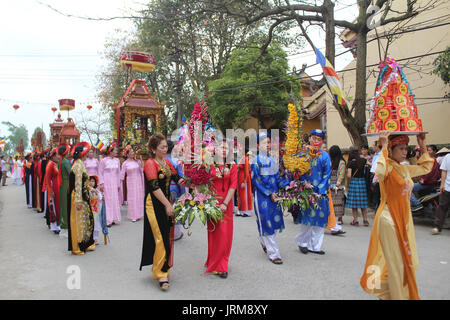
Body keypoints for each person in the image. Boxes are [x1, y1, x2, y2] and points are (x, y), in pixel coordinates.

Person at [360, 131, 433, 300]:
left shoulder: (404, 168)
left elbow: (426, 168)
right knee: (395, 264)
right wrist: (384, 146)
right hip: (388, 218)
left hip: (404, 218)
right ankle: (397, 296)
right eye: (400, 148)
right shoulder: (386, 167)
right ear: (391, 150)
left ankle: (391, 293)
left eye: (406, 148)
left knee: (409, 261)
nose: (405, 151)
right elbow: (378, 171)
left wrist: (422, 144)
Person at [139, 134, 185, 291]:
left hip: (166, 202)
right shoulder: (150, 164)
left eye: (166, 147)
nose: (166, 150)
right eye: (162, 147)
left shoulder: (165, 162)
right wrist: (167, 204)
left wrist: (193, 182)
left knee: (166, 236)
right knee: (159, 237)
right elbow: (154, 187)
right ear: (153, 149)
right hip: (154, 204)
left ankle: (163, 266)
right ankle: (161, 273)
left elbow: (177, 177)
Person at [251, 132, 289, 264]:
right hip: (262, 197)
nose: (267, 145)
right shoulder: (256, 161)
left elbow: (277, 178)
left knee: (273, 221)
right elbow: (256, 181)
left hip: (275, 195)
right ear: (257, 145)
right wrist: (269, 193)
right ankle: (274, 254)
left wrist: (290, 185)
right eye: (264, 143)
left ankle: (263, 241)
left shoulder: (273, 160)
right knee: (266, 221)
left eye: (268, 142)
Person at [295, 129, 332, 255]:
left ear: (322, 141)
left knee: (320, 220)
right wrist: (304, 186)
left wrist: (321, 189)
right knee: (308, 218)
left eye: (319, 139)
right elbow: (298, 172)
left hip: (321, 192)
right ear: (309, 138)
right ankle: (303, 243)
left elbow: (327, 174)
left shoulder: (325, 156)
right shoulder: (302, 154)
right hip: (307, 191)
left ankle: (315, 246)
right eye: (314, 138)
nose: (316, 141)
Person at [205, 141, 237, 278]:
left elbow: (233, 185)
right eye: (221, 147)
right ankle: (213, 260)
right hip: (212, 203)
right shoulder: (208, 164)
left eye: (226, 147)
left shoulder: (232, 165)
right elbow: (204, 183)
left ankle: (222, 265)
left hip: (226, 204)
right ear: (215, 149)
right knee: (214, 233)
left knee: (224, 235)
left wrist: (224, 203)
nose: (223, 150)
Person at [67, 142, 96, 255]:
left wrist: (90, 188)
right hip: (79, 196)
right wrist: (78, 201)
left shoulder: (80, 164)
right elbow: (78, 184)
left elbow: (83, 182)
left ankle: (86, 243)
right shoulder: (78, 166)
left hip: (83, 195)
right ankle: (77, 246)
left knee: (86, 220)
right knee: (79, 221)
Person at [410, 145, 441, 212]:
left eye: (429, 150)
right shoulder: (434, 161)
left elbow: (428, 173)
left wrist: (422, 179)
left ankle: (416, 204)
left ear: (434, 151)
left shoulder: (429, 161)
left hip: (426, 183)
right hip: (431, 183)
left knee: (406, 189)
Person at [98, 142, 122, 227]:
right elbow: (100, 172)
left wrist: (118, 184)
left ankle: (114, 218)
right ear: (110, 151)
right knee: (107, 200)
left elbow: (118, 172)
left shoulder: (117, 160)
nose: (116, 151)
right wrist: (101, 183)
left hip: (114, 181)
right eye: (115, 150)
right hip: (107, 181)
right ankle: (107, 220)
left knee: (114, 199)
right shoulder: (103, 161)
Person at [346, 146, 370, 226]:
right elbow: (371, 165)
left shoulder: (351, 163)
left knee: (354, 204)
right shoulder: (363, 160)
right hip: (362, 182)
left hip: (354, 182)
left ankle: (355, 221)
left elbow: (349, 175)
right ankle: (365, 220)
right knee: (363, 203)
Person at [166, 140, 185, 240]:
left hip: (162, 189)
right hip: (175, 188)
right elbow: (181, 180)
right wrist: (184, 194)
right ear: (173, 148)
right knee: (176, 210)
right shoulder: (177, 161)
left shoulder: (160, 161)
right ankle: (176, 234)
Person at [120, 146, 144, 222]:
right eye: (131, 152)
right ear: (127, 154)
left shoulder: (137, 162)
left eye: (133, 152)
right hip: (130, 181)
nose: (133, 153)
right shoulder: (125, 163)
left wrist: (141, 161)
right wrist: (119, 183)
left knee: (138, 196)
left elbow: (142, 170)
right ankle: (133, 215)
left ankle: (139, 214)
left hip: (138, 180)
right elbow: (122, 174)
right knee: (132, 197)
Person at [431, 152, 450, 235]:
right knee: (442, 207)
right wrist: (442, 184)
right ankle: (437, 227)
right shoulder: (448, 157)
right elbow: (444, 171)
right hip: (447, 186)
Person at [43, 148, 61, 234]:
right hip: (54, 188)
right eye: (57, 155)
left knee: (58, 206)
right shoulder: (50, 165)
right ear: (53, 156)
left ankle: (59, 224)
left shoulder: (56, 164)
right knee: (54, 206)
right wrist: (51, 191)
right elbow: (47, 179)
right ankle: (55, 226)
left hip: (58, 187)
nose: (59, 156)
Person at [328, 145, 347, 225]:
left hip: (338, 184)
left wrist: (338, 184)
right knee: (332, 202)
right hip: (330, 183)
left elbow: (342, 174)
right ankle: (332, 217)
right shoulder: (330, 161)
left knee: (339, 201)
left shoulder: (341, 162)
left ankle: (340, 218)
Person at [57, 144, 71, 238]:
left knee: (63, 205)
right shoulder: (65, 162)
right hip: (66, 184)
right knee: (66, 205)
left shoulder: (60, 161)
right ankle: (65, 226)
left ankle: (63, 225)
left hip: (62, 185)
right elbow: (71, 173)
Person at [236, 148, 253, 217]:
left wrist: (244, 181)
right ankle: (240, 210)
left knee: (244, 195)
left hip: (244, 179)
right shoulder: (241, 159)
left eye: (240, 151)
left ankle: (246, 211)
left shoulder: (245, 159)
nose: (238, 152)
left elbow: (246, 170)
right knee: (240, 195)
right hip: (239, 179)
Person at [88, 175, 102, 244]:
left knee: (96, 224)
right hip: (89, 210)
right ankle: (90, 238)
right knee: (89, 224)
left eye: (93, 181)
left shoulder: (97, 191)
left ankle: (95, 238)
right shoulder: (87, 191)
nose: (91, 183)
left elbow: (100, 198)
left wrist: (98, 194)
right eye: (89, 181)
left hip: (95, 210)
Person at [370, 140, 382, 210]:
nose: (372, 147)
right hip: (374, 176)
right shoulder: (375, 154)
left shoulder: (380, 155)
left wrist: (368, 163)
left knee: (378, 196)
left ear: (377, 146)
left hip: (378, 177)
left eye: (373, 145)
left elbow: (376, 167)